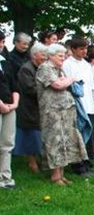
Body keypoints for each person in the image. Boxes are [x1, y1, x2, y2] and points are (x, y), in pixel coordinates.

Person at [35, 43, 89, 185]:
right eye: (60, 56)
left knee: (65, 141)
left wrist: (66, 80)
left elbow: (62, 83)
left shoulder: (59, 70)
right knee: (55, 142)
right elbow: (57, 85)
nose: (63, 58)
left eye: (64, 55)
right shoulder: (45, 68)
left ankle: (61, 174)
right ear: (51, 55)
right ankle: (55, 175)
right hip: (52, 113)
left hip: (65, 111)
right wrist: (70, 79)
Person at [63, 37, 94, 177]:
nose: (84, 51)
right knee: (78, 134)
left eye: (86, 48)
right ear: (73, 49)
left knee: (89, 133)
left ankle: (87, 160)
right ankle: (77, 164)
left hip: (89, 103)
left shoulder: (87, 65)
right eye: (81, 48)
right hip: (77, 104)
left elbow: (90, 87)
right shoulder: (67, 64)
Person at [14, 43, 46, 174]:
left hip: (40, 107)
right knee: (31, 135)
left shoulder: (42, 68)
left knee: (39, 135)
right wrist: (48, 88)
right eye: (42, 55)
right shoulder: (26, 69)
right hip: (28, 107)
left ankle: (40, 160)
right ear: (34, 55)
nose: (45, 57)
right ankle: (32, 162)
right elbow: (30, 89)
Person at [0, 31, 20, 189]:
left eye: (2, 42)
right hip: (1, 106)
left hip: (9, 107)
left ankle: (5, 177)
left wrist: (14, 103)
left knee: (7, 143)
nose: (1, 45)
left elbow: (14, 85)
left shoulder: (5, 62)